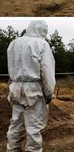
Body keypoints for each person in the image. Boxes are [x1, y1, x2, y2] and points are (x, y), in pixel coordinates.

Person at [6, 21, 56, 152]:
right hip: (33, 89)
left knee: (16, 123)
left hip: (15, 87)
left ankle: (12, 149)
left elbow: (11, 67)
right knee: (33, 126)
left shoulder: (13, 44)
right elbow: (47, 71)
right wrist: (49, 92)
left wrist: (12, 84)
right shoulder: (42, 44)